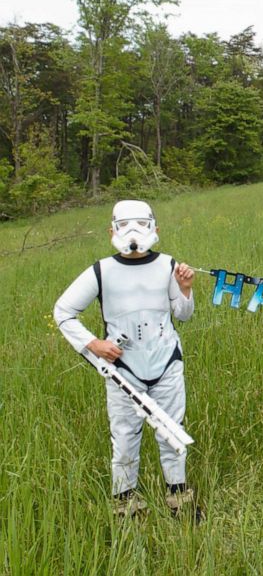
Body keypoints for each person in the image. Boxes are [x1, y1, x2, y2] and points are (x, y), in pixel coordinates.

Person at [54, 199, 197, 517]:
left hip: (166, 363)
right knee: (124, 436)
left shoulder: (168, 266)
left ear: (155, 228)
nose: (133, 232)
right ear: (112, 230)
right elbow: (63, 312)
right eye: (124, 224)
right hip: (123, 371)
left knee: (171, 430)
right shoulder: (100, 271)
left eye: (141, 224)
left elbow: (183, 315)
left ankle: (179, 499)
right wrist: (93, 343)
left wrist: (185, 289)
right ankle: (125, 504)